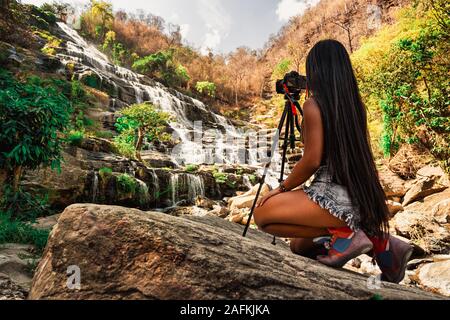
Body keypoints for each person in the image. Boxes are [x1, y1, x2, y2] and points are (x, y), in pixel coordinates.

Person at [253, 39, 413, 284]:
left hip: (332, 197)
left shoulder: (313, 104)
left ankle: (345, 233)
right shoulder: (355, 106)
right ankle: (381, 243)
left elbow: (312, 160)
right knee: (300, 247)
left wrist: (281, 188)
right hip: (359, 199)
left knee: (263, 214)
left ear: (317, 70)